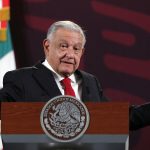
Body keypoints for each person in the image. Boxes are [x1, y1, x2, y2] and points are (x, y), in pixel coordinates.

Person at [0, 20, 150, 130]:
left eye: (76, 49)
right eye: (63, 46)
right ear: (47, 46)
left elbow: (118, 118)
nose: (70, 55)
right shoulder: (21, 80)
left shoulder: (90, 82)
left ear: (82, 52)